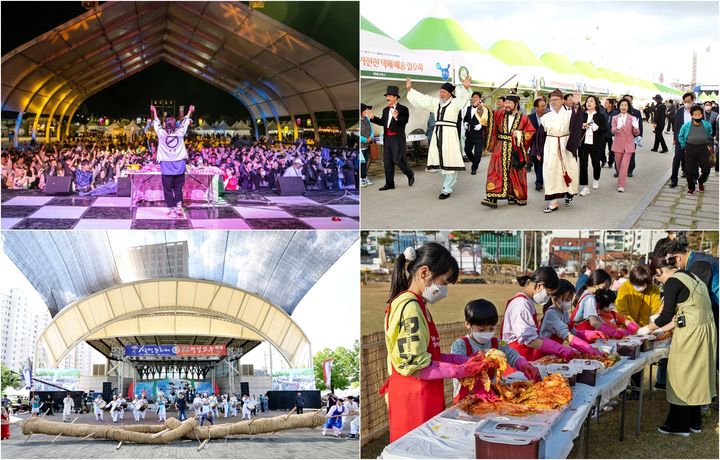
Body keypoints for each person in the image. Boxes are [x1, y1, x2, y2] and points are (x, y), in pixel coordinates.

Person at [380, 243, 485, 442]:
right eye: (444, 282)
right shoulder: (409, 307)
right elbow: (416, 366)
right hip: (413, 399)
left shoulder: (420, 305)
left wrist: (459, 360)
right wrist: (459, 371)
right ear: (425, 272)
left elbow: (429, 356)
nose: (444, 289)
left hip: (427, 394)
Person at [637, 255, 717, 436]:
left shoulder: (672, 282)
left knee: (680, 375)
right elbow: (684, 312)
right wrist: (659, 330)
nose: (659, 282)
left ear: (659, 271)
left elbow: (665, 315)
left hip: (690, 334)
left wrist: (646, 328)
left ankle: (678, 425)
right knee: (696, 375)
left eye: (657, 278)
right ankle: (694, 422)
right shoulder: (691, 276)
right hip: (705, 329)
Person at [451, 299, 540, 403]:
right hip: (466, 397)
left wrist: (524, 365)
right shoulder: (461, 345)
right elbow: (457, 369)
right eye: (481, 329)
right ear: (468, 324)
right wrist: (479, 388)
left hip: (492, 395)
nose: (487, 333)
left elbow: (511, 355)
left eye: (491, 329)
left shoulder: (497, 343)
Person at [406, 75, 472, 199]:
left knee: (450, 160)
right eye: (440, 92)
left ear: (450, 93)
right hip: (438, 134)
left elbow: (463, 98)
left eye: (444, 92)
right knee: (439, 160)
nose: (441, 94)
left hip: (449, 134)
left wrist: (465, 88)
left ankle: (447, 188)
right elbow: (423, 100)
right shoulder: (436, 103)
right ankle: (447, 182)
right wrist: (411, 90)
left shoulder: (456, 103)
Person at [502, 267, 578, 361]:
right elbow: (530, 340)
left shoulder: (528, 302)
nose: (549, 298)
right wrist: (560, 349)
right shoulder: (521, 305)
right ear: (539, 286)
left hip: (524, 358)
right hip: (516, 360)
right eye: (548, 294)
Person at [480, 92, 536, 208]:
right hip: (500, 147)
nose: (506, 105)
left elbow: (530, 132)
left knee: (514, 172)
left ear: (516, 104)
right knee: (495, 171)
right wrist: (481, 107)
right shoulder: (499, 114)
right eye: (506, 102)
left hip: (515, 148)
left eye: (509, 103)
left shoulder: (524, 118)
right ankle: (492, 198)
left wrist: (519, 134)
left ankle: (514, 195)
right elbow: (488, 117)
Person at [535, 89, 584, 212]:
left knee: (568, 170)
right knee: (550, 171)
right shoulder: (546, 117)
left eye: (556, 99)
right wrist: (538, 151)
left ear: (563, 101)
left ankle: (569, 194)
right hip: (551, 146)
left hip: (565, 145)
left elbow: (578, 119)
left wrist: (577, 104)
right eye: (551, 100)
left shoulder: (569, 114)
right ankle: (553, 201)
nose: (553, 102)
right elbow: (540, 135)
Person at [538, 280, 606, 357]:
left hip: (555, 352)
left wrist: (591, 335)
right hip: (545, 354)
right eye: (567, 299)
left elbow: (573, 331)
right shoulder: (551, 314)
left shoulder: (564, 312)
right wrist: (588, 348)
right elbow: (568, 336)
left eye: (570, 299)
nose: (569, 302)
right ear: (556, 300)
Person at [150, 103, 195, 218]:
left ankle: (172, 209)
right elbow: (185, 122)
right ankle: (179, 207)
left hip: (166, 167)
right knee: (178, 188)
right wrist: (190, 111)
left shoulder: (162, 134)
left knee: (168, 189)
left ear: (166, 125)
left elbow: (156, 123)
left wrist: (154, 111)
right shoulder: (180, 133)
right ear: (175, 125)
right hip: (179, 165)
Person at [370, 85, 414, 191]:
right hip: (387, 138)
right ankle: (389, 183)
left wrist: (396, 117)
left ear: (395, 97)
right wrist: (372, 118)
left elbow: (404, 121)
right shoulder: (385, 110)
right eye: (387, 96)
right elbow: (382, 122)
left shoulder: (403, 109)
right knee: (387, 161)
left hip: (397, 138)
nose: (387, 98)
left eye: (389, 95)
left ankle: (409, 173)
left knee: (398, 159)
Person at [678, 104, 713, 195]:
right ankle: (691, 187)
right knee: (688, 170)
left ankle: (701, 181)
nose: (697, 116)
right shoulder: (686, 126)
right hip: (690, 149)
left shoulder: (707, 124)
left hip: (703, 149)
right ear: (692, 115)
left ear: (702, 115)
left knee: (706, 170)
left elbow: (710, 133)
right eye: (695, 114)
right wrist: (684, 145)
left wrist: (708, 143)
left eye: (699, 114)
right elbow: (680, 136)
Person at [578, 95, 607, 196]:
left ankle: (596, 178)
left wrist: (596, 127)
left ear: (596, 104)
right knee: (583, 165)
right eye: (587, 101)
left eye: (591, 101)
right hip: (584, 144)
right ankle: (585, 186)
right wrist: (582, 126)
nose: (588, 103)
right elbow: (576, 127)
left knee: (595, 163)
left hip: (596, 144)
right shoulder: (582, 115)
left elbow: (605, 130)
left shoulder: (600, 115)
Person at [610, 98, 641, 192]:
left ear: (628, 107)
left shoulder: (632, 118)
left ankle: (621, 185)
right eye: (622, 105)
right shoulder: (615, 118)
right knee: (619, 165)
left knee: (624, 165)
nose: (623, 107)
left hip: (628, 144)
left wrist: (636, 128)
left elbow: (636, 133)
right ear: (619, 106)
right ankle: (622, 178)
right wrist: (617, 128)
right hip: (618, 144)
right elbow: (612, 131)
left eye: (625, 105)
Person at [670, 92, 697, 188]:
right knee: (677, 158)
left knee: (693, 159)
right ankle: (674, 179)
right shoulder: (680, 111)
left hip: (693, 139)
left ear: (693, 100)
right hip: (680, 139)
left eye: (689, 101)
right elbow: (676, 125)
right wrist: (674, 138)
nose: (687, 103)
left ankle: (694, 178)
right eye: (685, 102)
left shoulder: (698, 111)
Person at [463, 91, 490, 175]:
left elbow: (486, 120)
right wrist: (465, 123)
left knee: (478, 153)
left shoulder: (483, 109)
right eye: (473, 97)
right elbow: (466, 118)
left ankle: (474, 168)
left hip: (479, 135)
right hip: (469, 134)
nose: (474, 98)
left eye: (476, 97)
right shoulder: (468, 108)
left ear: (479, 99)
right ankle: (474, 161)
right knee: (467, 150)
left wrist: (481, 126)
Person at [528, 98, 548, 191]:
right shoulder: (530, 118)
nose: (545, 107)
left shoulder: (549, 116)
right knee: (537, 163)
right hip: (534, 145)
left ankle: (544, 180)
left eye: (545, 105)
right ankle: (539, 181)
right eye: (542, 106)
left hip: (547, 143)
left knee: (546, 163)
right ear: (536, 108)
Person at [359, 103, 375, 187]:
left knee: (365, 162)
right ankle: (360, 179)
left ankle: (364, 177)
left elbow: (371, 129)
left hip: (367, 145)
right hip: (361, 146)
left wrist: (371, 136)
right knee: (361, 163)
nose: (366, 111)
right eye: (365, 110)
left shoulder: (366, 119)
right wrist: (365, 139)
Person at [603, 98, 619, 169]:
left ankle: (610, 162)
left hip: (612, 135)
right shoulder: (602, 113)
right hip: (603, 135)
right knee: (601, 149)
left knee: (611, 150)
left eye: (606, 103)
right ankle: (603, 161)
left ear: (610, 104)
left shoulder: (616, 113)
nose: (605, 104)